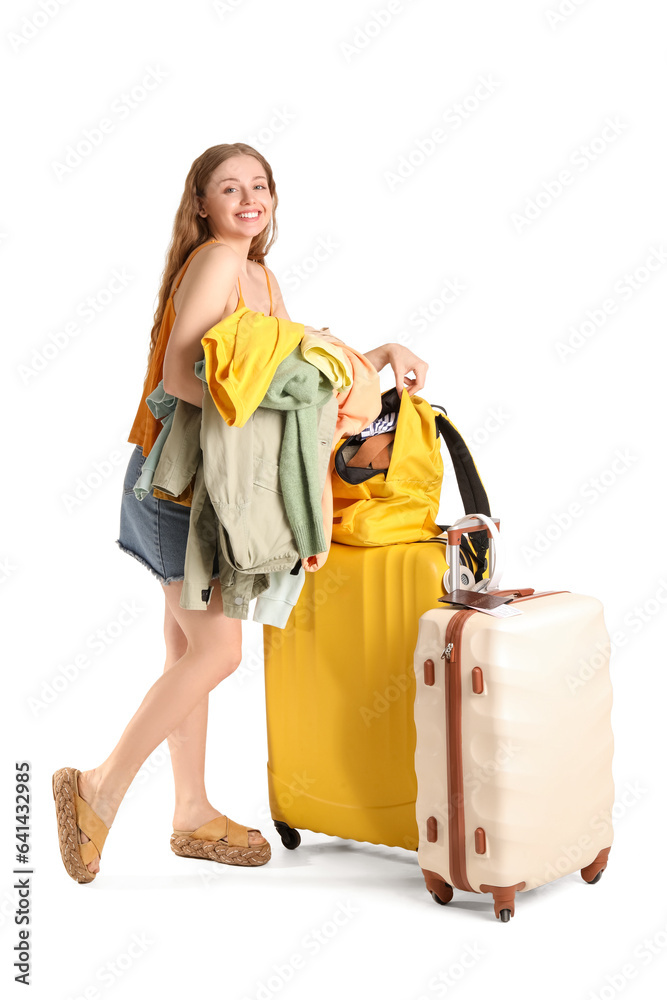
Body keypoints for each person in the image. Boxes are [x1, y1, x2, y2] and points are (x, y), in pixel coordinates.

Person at [52, 142, 429, 882]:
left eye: (260, 185)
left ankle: (190, 811)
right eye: (230, 188)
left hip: (207, 489)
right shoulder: (217, 262)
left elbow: (299, 356)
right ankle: (95, 788)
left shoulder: (259, 272)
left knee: (186, 654)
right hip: (178, 485)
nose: (248, 198)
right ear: (202, 204)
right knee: (218, 653)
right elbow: (181, 377)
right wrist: (274, 412)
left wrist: (376, 354)